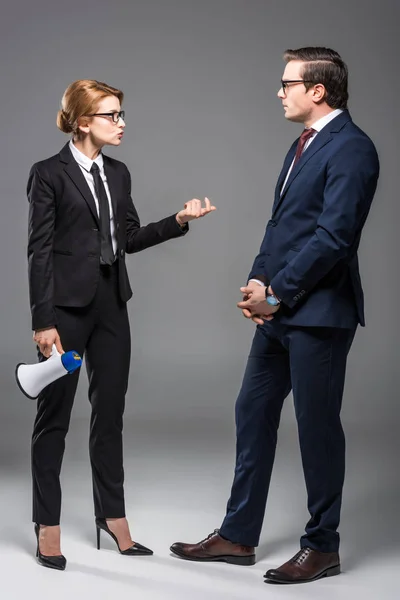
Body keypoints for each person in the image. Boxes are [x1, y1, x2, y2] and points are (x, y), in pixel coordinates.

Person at [170, 47, 379, 585]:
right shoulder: (300, 145)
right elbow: (281, 224)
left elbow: (335, 237)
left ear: (319, 90)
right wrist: (259, 280)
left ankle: (323, 546)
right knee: (252, 412)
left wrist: (279, 293)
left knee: (316, 428)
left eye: (288, 83)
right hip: (280, 311)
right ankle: (239, 535)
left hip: (319, 315)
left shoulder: (353, 148)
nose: (279, 91)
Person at [28, 79, 216, 570]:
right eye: (112, 115)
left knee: (109, 416)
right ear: (83, 121)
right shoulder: (48, 174)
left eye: (121, 114)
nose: (122, 123)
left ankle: (112, 516)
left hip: (112, 307)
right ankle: (47, 524)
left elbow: (129, 239)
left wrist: (178, 219)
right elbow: (39, 252)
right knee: (54, 419)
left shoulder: (120, 173)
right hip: (65, 313)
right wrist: (42, 320)